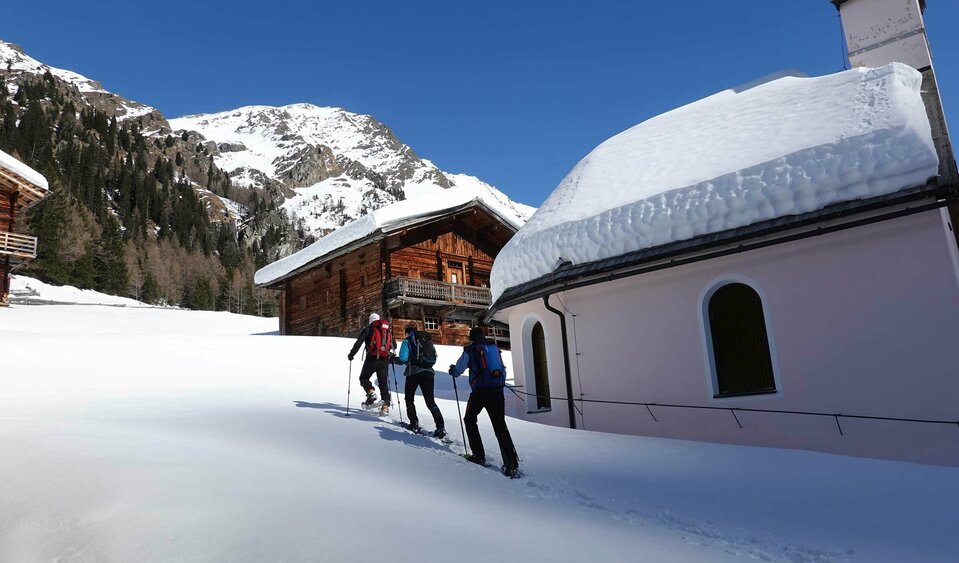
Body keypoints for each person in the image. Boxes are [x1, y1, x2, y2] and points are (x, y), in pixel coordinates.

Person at [449, 327, 520, 478]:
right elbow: (503, 369)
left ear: (471, 338)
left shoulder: (471, 349)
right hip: (497, 391)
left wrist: (452, 370)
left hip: (480, 392)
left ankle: (479, 456)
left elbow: (459, 368)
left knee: (469, 419)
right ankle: (512, 464)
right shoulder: (493, 348)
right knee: (500, 425)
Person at [391, 323, 446, 438]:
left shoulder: (408, 341)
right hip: (429, 372)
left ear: (407, 331)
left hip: (414, 373)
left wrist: (392, 359)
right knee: (430, 401)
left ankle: (414, 424)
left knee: (409, 399)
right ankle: (440, 427)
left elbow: (403, 359)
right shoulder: (426, 339)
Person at [348, 313, 395, 415]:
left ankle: (371, 392)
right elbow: (394, 345)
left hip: (372, 359)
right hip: (384, 359)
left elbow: (358, 343)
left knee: (363, 378)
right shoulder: (386, 330)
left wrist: (351, 354)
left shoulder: (369, 329)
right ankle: (385, 407)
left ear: (370, 320)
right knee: (383, 383)